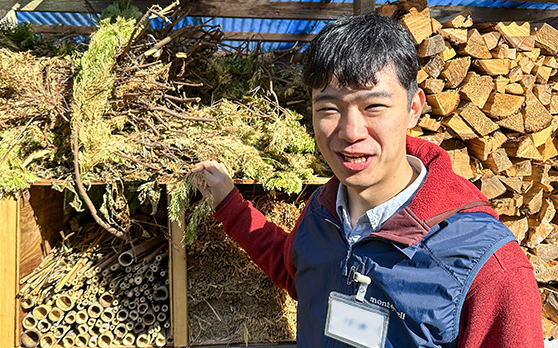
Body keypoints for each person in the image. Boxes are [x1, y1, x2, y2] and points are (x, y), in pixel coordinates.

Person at [192, 13, 543, 348]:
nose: (349, 132)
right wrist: (229, 204)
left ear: (413, 109)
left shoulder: (487, 268)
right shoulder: (323, 211)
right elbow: (297, 271)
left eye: (373, 107)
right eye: (329, 109)